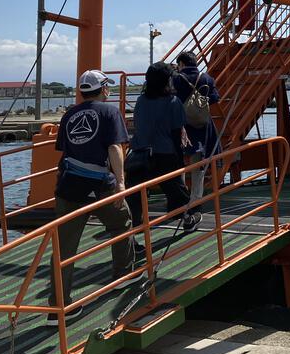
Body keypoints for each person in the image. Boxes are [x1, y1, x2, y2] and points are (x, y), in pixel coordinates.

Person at [47, 69, 141, 327]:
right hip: (101, 185)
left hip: (69, 187)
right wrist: (121, 182)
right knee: (121, 222)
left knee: (64, 247)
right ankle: (123, 273)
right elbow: (115, 147)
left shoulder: (69, 115)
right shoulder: (110, 112)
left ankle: (57, 308)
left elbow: (65, 150)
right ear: (104, 89)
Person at [125, 63, 200, 231]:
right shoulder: (173, 102)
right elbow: (176, 133)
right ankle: (188, 219)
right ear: (167, 81)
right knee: (177, 192)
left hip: (139, 153)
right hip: (165, 154)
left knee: (135, 196)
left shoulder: (141, 101)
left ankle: (132, 230)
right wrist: (180, 159)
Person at [172, 52, 221, 208]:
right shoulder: (206, 78)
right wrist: (199, 104)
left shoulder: (177, 79)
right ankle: (195, 199)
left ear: (181, 64)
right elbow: (215, 97)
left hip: (181, 124)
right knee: (198, 163)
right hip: (202, 123)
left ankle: (180, 198)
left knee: (179, 162)